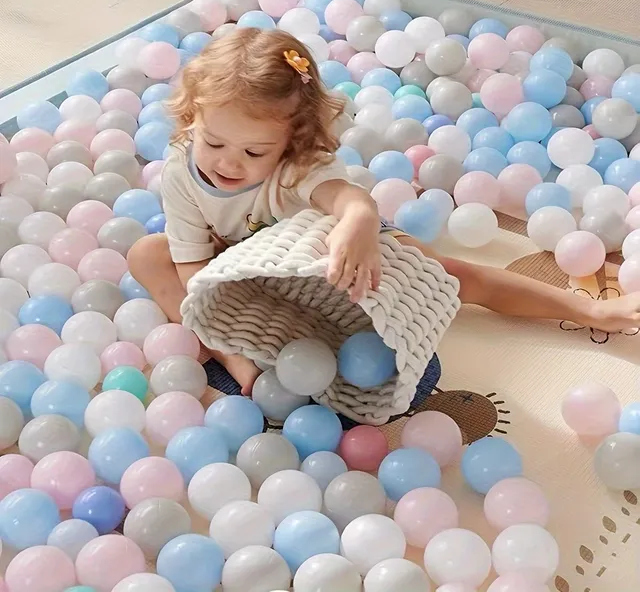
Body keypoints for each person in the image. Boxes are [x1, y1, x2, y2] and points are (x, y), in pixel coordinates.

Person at [128, 27, 640, 395]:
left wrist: (357, 226)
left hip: (331, 257)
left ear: (291, 140)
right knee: (147, 255)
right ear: (192, 117)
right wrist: (215, 299)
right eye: (213, 142)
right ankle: (231, 357)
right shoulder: (182, 169)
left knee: (451, 275)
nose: (228, 164)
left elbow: (351, 204)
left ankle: (588, 309)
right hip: (242, 269)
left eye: (254, 152)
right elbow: (191, 261)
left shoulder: (297, 167)